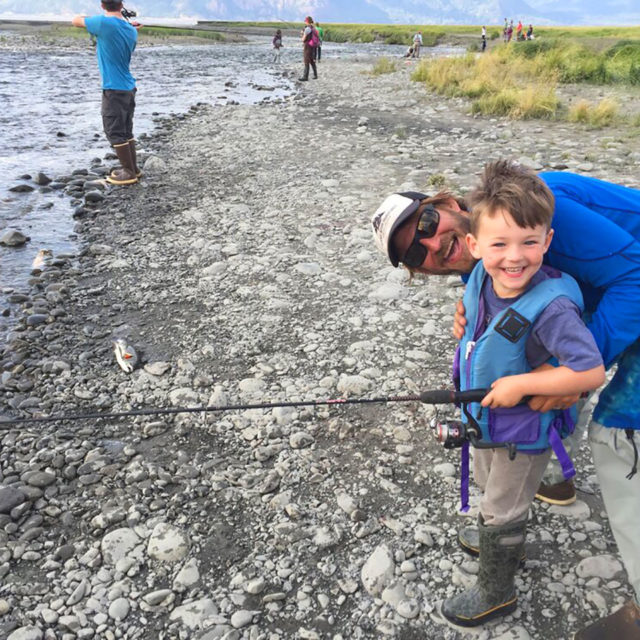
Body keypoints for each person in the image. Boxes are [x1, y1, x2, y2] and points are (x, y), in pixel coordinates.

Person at [370, 161, 640, 637]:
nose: (431, 243)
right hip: (612, 290)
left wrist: (563, 374)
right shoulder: (485, 262)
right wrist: (470, 316)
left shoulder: (537, 208)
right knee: (544, 374)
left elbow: (634, 278)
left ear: (450, 205)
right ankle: (554, 480)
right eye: (416, 249)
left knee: (619, 436)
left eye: (427, 225)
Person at [72, 1, 140, 186]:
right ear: (121, 5)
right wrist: (127, 24)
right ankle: (134, 169)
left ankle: (128, 172)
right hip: (128, 88)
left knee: (114, 131)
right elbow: (120, 35)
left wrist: (93, 18)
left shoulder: (103, 23)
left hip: (114, 88)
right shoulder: (132, 30)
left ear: (102, 5)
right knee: (126, 130)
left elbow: (76, 20)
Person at [299, 16, 318, 81]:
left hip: (307, 46)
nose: (305, 22)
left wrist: (302, 34)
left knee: (306, 61)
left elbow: (303, 39)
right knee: (312, 60)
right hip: (312, 46)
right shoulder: (313, 28)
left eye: (305, 21)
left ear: (307, 21)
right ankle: (315, 75)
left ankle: (305, 76)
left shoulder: (307, 29)